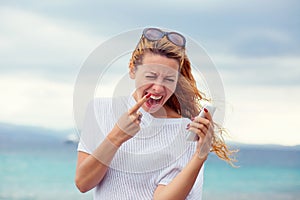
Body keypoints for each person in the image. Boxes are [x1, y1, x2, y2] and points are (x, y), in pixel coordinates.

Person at [75, 27, 235, 199]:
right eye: (151, 76)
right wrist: (117, 136)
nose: (158, 88)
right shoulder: (100, 109)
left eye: (169, 79)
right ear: (132, 69)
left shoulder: (185, 131)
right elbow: (83, 183)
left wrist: (199, 156)